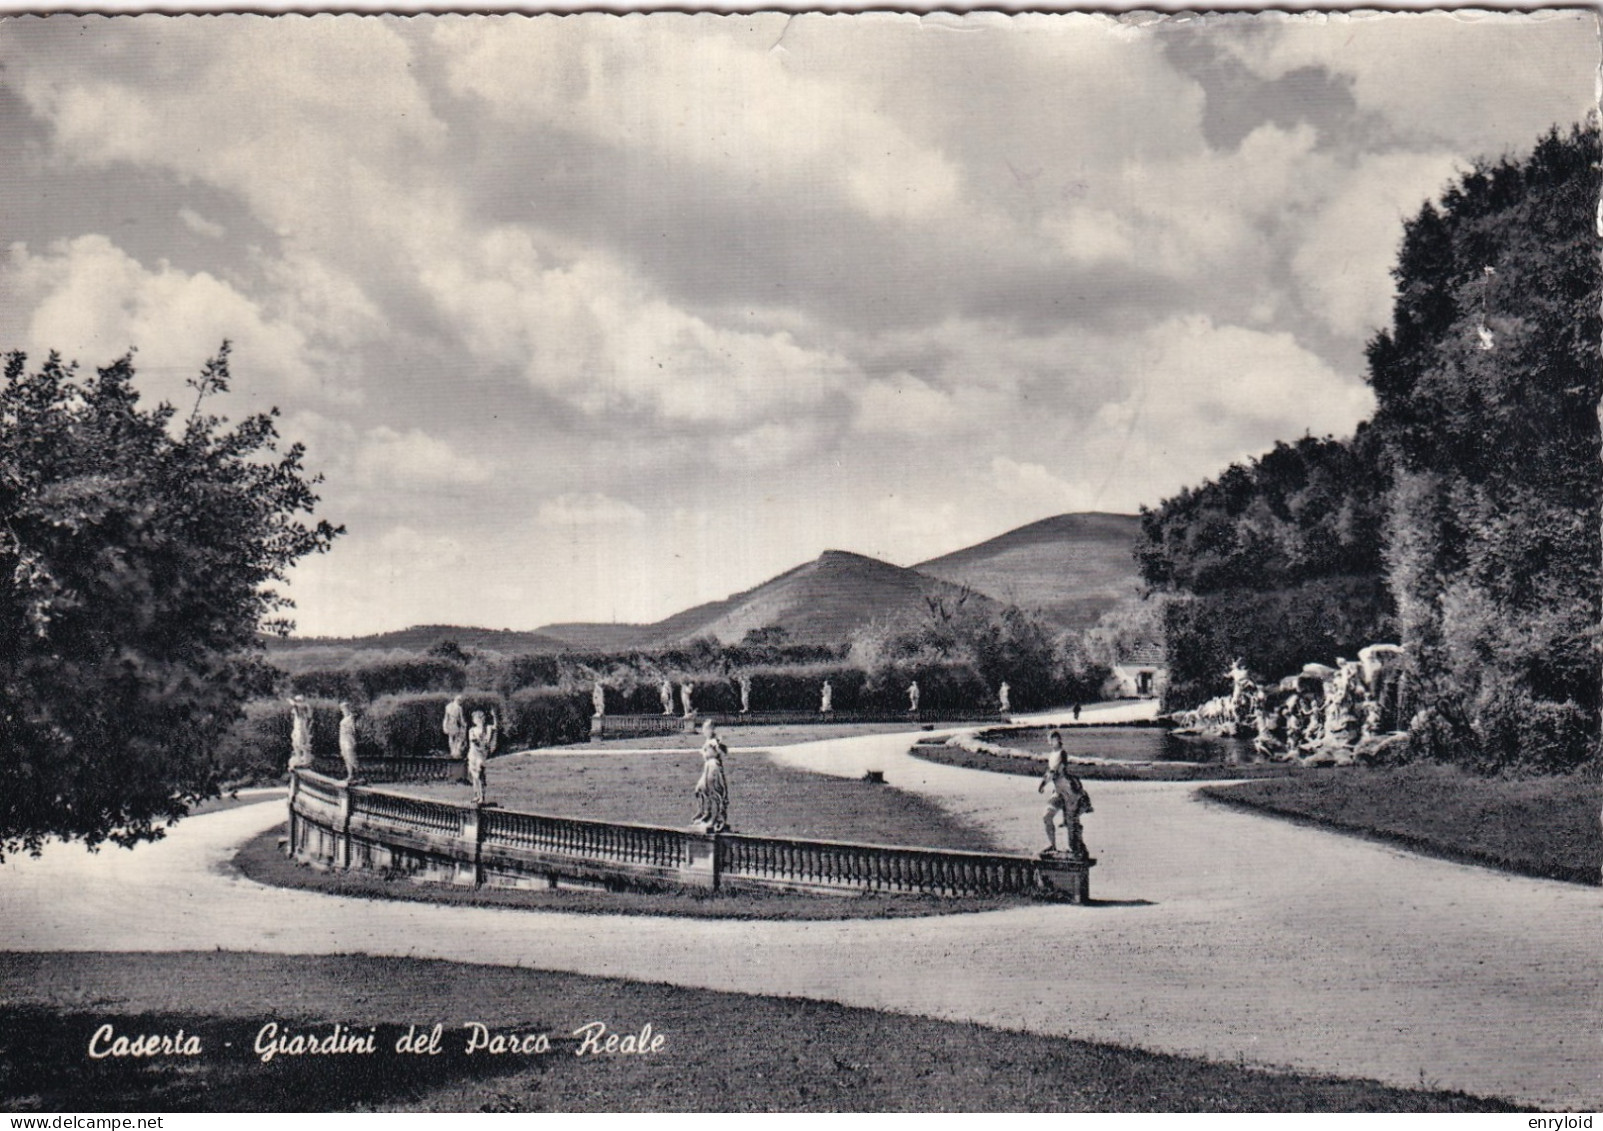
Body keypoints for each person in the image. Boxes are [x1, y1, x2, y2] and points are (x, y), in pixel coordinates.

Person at [1038, 730, 1092, 858]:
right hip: (1058, 791)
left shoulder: (1062, 753)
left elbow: (1055, 771)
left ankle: (1078, 849)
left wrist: (1044, 782)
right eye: (1051, 739)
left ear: (1059, 740)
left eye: (1055, 738)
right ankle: (1053, 845)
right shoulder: (1052, 754)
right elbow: (1050, 772)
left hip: (1068, 791)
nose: (1052, 741)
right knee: (1047, 816)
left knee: (1071, 823)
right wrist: (1043, 783)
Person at [692, 719, 729, 833]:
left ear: (711, 729)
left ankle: (715, 818)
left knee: (713, 793)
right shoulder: (708, 740)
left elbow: (723, 750)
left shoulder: (713, 740)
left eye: (705, 729)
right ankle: (705, 813)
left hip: (713, 767)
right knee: (699, 790)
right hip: (707, 766)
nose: (703, 731)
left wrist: (718, 745)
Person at [467, 708, 498, 805]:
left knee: (480, 773)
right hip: (473, 754)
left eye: (480, 718)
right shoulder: (472, 730)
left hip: (481, 755)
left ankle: (482, 797)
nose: (479, 720)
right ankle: (477, 795)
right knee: (474, 776)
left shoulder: (487, 728)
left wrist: (494, 716)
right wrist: (483, 742)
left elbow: (495, 727)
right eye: (477, 718)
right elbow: (474, 741)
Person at [286, 694, 315, 770]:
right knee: (295, 744)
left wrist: (291, 701)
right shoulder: (299, 708)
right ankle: (299, 760)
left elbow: (298, 709)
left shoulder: (304, 708)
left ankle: (306, 761)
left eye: (298, 700)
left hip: (301, 729)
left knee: (302, 744)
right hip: (297, 729)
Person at [338, 700, 361, 782]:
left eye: (345, 708)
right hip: (343, 739)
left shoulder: (351, 718)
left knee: (351, 757)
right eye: (342, 709)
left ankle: (358, 775)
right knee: (346, 757)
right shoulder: (344, 719)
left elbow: (354, 729)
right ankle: (350, 775)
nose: (343, 710)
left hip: (349, 739)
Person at [443, 694, 468, 760]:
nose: (460, 701)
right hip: (452, 724)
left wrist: (464, 724)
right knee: (453, 738)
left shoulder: (457, 707)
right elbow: (446, 717)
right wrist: (445, 726)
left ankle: (455, 752)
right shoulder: (451, 707)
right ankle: (453, 752)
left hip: (454, 724)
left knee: (455, 738)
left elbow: (460, 718)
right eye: (459, 700)